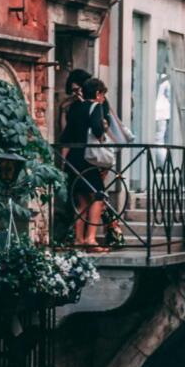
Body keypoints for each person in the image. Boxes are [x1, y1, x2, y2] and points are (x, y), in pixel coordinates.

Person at [64, 78, 110, 248]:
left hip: (73, 158)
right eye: (103, 95)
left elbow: (66, 135)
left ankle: (78, 239)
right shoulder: (95, 107)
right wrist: (104, 128)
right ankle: (90, 239)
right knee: (98, 196)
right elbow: (97, 130)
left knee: (82, 200)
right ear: (98, 94)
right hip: (87, 158)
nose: (103, 98)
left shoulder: (74, 107)